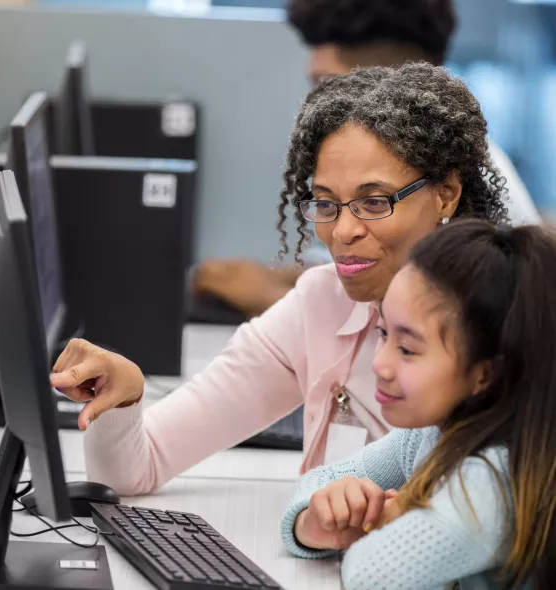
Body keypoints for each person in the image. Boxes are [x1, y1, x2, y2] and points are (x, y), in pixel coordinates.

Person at [51, 63, 508, 496]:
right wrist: (124, 399)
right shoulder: (322, 304)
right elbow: (133, 470)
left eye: (374, 202)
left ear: (446, 193)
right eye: (326, 203)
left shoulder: (503, 330)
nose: (343, 230)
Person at [193, 0, 540, 318]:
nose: (317, 103)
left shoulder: (471, 177)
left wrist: (265, 296)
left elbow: (438, 326)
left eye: (326, 84)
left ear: (381, 86)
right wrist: (279, 277)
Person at [282, 219, 556, 589]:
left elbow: (370, 576)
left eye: (408, 349)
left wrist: (382, 520)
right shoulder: (429, 434)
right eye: (383, 333)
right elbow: (319, 480)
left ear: (485, 374)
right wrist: (313, 522)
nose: (379, 363)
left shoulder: (491, 481)